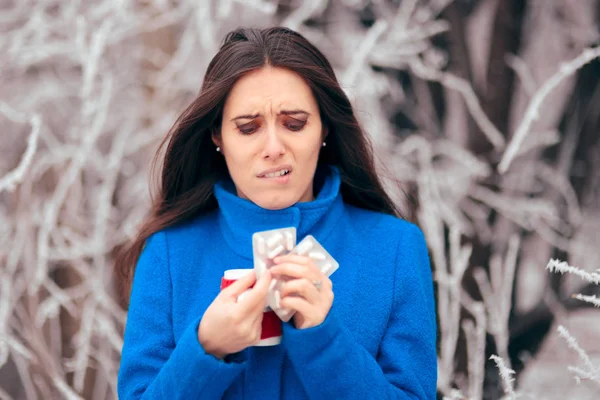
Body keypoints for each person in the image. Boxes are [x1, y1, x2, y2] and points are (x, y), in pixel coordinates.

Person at [116, 26, 437, 399]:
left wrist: (324, 340)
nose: (273, 147)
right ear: (218, 136)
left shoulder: (395, 249)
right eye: (248, 128)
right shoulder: (168, 254)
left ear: (324, 128)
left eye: (294, 124)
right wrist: (206, 347)